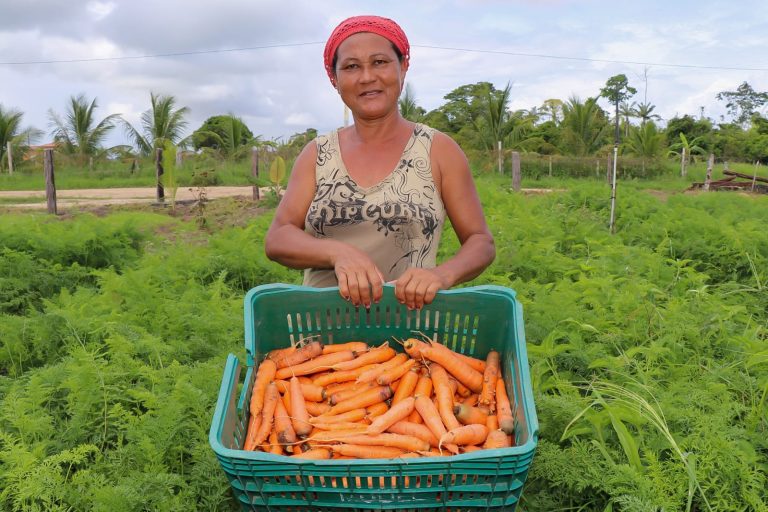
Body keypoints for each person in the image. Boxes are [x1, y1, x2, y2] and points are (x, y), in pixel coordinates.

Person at [265, 15, 495, 310]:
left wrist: (440, 275)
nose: (366, 77)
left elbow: (480, 240)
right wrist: (338, 253)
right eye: (351, 66)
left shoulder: (438, 150)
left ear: (403, 67)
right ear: (335, 79)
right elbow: (278, 238)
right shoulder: (317, 154)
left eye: (380, 62)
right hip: (322, 340)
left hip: (412, 335)